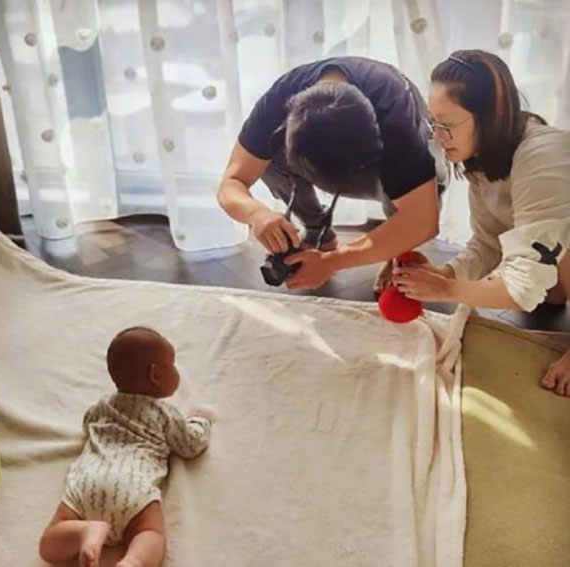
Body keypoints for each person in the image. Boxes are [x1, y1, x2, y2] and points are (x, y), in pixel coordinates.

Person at [392, 49, 570, 397]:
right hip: (551, 257)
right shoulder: (486, 156)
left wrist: (445, 290)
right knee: (543, 283)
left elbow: (523, 286)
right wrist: (445, 274)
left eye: (446, 125)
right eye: (433, 123)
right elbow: (488, 242)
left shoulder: (542, 157)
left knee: (552, 258)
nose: (437, 137)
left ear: (488, 118)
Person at [217, 56, 448, 290]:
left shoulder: (398, 125)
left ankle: (396, 253)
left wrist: (333, 262)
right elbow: (231, 183)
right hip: (342, 150)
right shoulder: (276, 105)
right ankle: (318, 232)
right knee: (264, 159)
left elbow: (423, 221)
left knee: (407, 194)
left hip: (393, 160)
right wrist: (255, 213)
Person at [39, 327, 212, 567]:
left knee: (49, 544)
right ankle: (132, 561)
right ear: (156, 375)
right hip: (133, 485)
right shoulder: (164, 413)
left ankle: (86, 530)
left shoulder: (103, 406)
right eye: (172, 363)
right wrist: (200, 421)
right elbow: (190, 445)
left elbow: (87, 423)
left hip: (89, 481)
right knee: (150, 534)